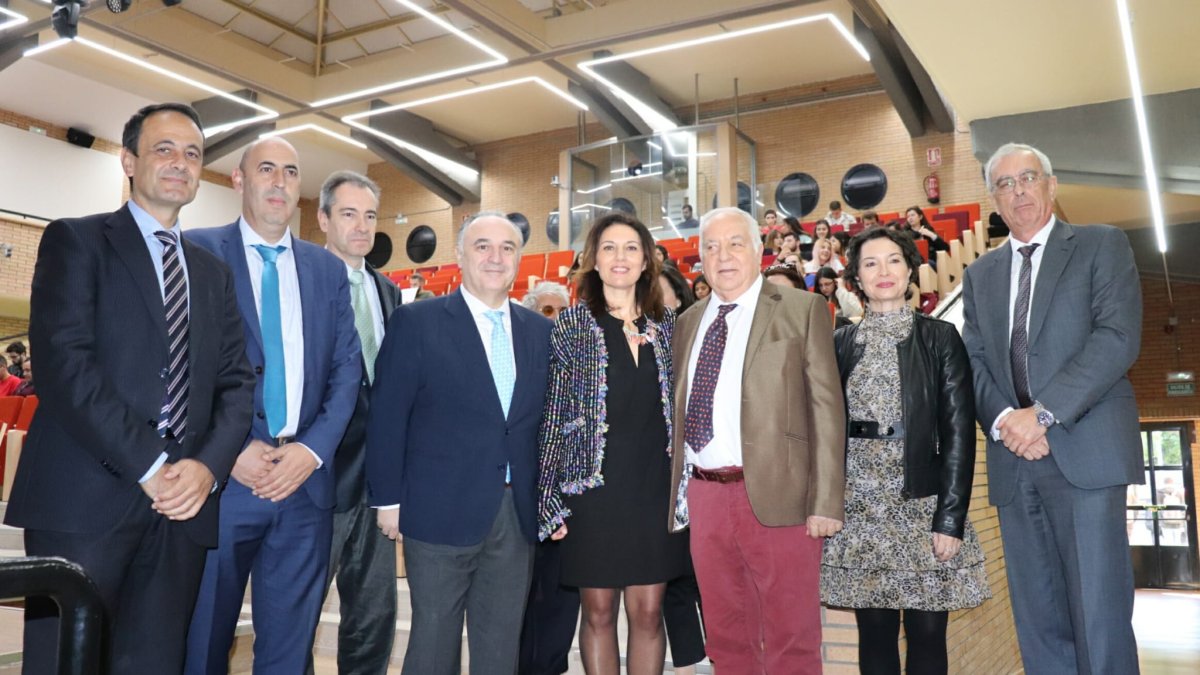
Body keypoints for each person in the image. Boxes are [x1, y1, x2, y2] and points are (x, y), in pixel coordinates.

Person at [5, 102, 255, 673]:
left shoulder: (212, 274)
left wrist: (206, 468)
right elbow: (66, 367)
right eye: (164, 149)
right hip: (85, 502)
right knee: (64, 663)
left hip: (183, 511)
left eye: (192, 154)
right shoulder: (77, 241)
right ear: (128, 160)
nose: (180, 163)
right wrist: (152, 465)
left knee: (155, 663)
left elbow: (237, 384)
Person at [962, 143, 1144, 675]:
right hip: (1015, 463)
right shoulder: (980, 274)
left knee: (1099, 617)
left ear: (1052, 184)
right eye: (1004, 183)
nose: (1018, 191)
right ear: (993, 199)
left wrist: (1040, 415)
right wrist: (1005, 421)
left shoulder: (1100, 245)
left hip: (1085, 454)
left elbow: (1116, 337)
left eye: (1028, 177)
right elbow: (972, 360)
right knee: (1038, 620)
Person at [184, 137, 361, 674]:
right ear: (239, 180)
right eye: (266, 169)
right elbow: (179, 366)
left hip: (303, 487)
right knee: (201, 641)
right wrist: (230, 449)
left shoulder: (326, 269)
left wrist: (312, 451)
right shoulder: (196, 251)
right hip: (222, 485)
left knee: (288, 652)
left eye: (290, 171)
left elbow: (346, 371)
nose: (279, 181)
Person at [366, 212, 553, 675]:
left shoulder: (540, 331)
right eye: (482, 246)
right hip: (437, 511)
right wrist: (387, 500)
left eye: (507, 248)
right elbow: (388, 416)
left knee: (500, 647)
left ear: (519, 258)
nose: (495, 257)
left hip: (515, 515)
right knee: (433, 645)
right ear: (460, 255)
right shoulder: (417, 321)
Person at [667, 207, 845, 672]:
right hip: (705, 496)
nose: (723, 256)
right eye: (711, 247)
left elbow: (827, 410)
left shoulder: (801, 309)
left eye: (735, 243)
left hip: (781, 496)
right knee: (726, 639)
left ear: (758, 249)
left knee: (792, 638)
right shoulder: (687, 322)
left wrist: (826, 500)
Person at [822, 228, 990, 674]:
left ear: (910, 269)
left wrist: (950, 519)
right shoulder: (839, 343)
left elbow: (958, 435)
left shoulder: (940, 338)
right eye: (870, 263)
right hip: (860, 509)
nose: (883, 271)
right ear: (856, 278)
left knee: (927, 634)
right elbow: (823, 429)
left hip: (922, 504)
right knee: (874, 634)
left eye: (893, 260)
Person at [538, 212, 691, 674]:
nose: (619, 257)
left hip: (655, 491)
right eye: (608, 247)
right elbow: (553, 416)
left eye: (630, 248)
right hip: (592, 494)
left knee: (648, 612)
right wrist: (547, 496)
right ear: (594, 260)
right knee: (598, 612)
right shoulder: (571, 325)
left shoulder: (671, 327)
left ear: (646, 261)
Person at [304, 171, 401, 675]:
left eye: (369, 216)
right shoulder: (302, 284)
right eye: (348, 214)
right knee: (300, 612)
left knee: (373, 616)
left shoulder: (389, 292)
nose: (362, 226)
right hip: (318, 476)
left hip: (379, 483)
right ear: (323, 219)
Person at [518, 278, 579, 675]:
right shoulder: (517, 362)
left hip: (569, 506)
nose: (555, 319)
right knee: (521, 604)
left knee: (560, 602)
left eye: (562, 311)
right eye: (546, 311)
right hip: (523, 501)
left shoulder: (582, 366)